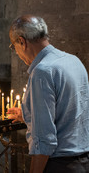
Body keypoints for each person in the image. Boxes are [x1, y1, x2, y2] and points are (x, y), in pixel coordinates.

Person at [7, 15, 89, 173]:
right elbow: (70, 113)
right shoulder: (73, 61)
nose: (16, 52)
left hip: (60, 164)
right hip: (84, 161)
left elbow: (44, 140)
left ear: (22, 42)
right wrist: (28, 114)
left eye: (13, 47)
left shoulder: (42, 72)